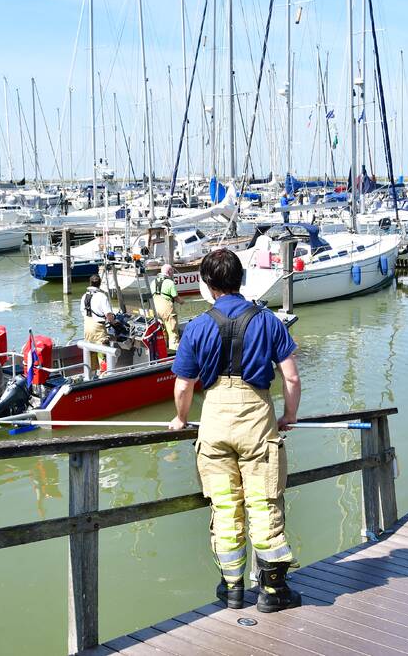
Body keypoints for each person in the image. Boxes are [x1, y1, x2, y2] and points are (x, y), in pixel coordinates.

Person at [169, 248, 303, 613]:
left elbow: (183, 386)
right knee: (263, 502)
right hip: (257, 418)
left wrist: (181, 419)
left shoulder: (196, 327)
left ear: (208, 285)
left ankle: (232, 589)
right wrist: (289, 415)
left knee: (225, 506)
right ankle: (273, 592)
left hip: (214, 420)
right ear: (241, 279)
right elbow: (290, 377)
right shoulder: (269, 322)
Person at [81, 275, 115, 374]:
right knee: (102, 351)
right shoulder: (101, 296)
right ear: (99, 284)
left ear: (90, 283)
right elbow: (108, 314)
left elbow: (83, 312)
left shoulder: (84, 296)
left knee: (91, 350)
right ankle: (104, 375)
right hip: (98, 328)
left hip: (87, 326)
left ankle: (91, 375)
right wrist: (114, 322)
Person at [153, 264, 184, 350]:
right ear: (169, 271)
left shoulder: (153, 282)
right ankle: (174, 352)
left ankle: (164, 350)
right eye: (172, 271)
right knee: (172, 331)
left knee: (162, 331)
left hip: (155, 309)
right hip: (166, 310)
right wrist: (183, 302)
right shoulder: (169, 282)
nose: (173, 273)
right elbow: (176, 297)